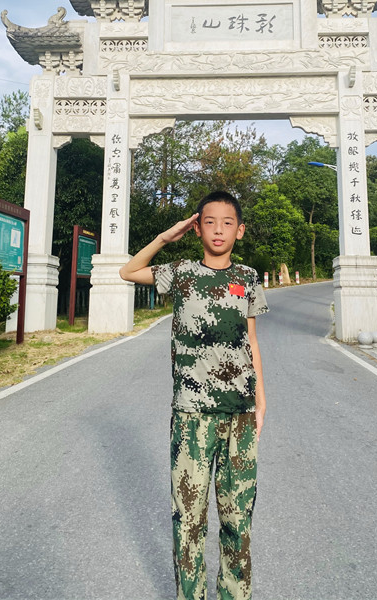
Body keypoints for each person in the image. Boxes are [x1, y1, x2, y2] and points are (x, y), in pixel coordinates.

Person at [119, 190, 269, 600]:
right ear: (197, 227)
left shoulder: (248, 278)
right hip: (192, 415)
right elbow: (129, 271)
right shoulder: (181, 272)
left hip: (239, 413)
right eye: (209, 222)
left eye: (227, 223)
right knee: (188, 519)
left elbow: (252, 341)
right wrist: (166, 237)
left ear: (239, 230)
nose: (218, 230)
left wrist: (261, 399)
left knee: (238, 519)